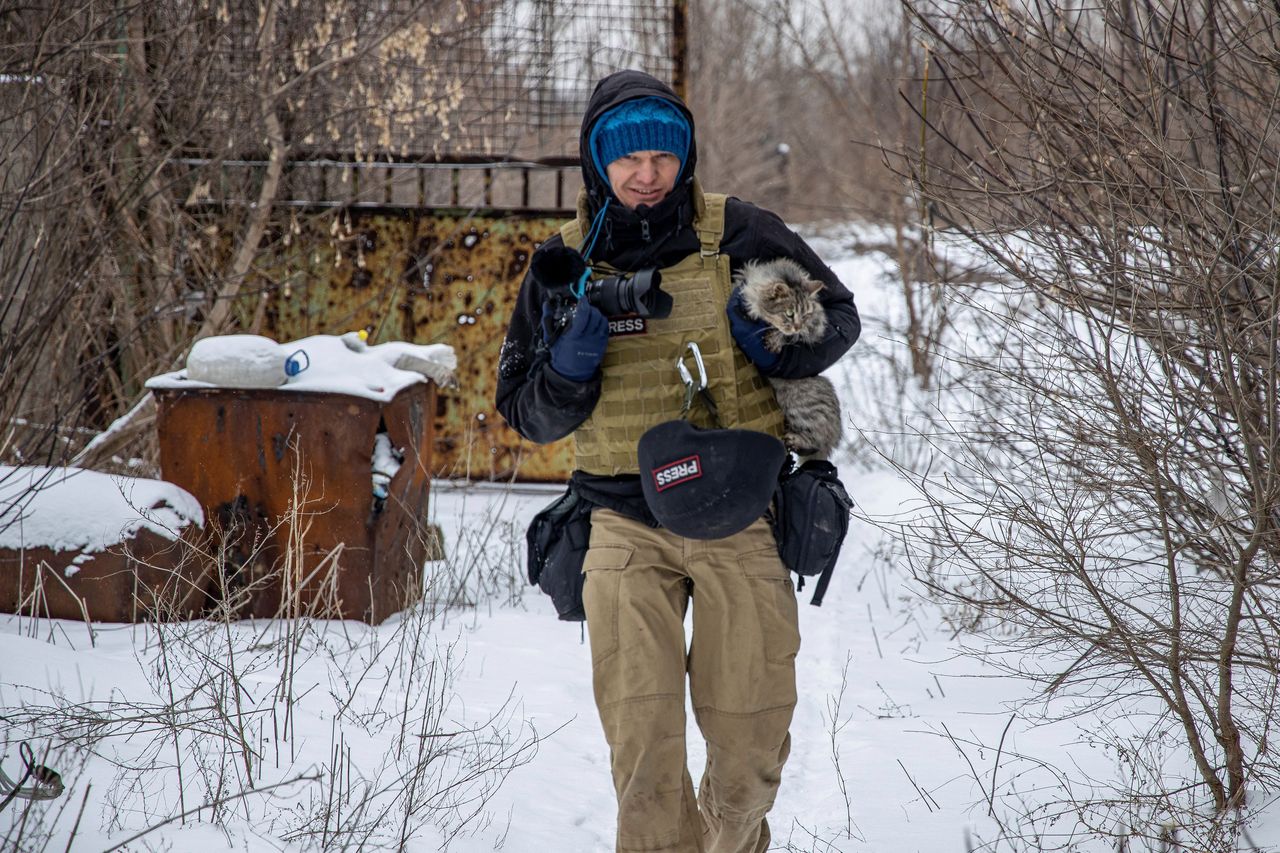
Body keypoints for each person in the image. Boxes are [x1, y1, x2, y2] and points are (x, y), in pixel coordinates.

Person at [495, 70, 859, 853]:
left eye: (664, 154)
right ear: (598, 162)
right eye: (628, 158)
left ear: (685, 155)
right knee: (646, 761)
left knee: (750, 750)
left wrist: (773, 336)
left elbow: (839, 318)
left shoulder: (742, 231)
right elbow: (523, 409)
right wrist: (568, 369)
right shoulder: (561, 262)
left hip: (740, 513)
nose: (647, 172)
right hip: (622, 522)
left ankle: (730, 840)